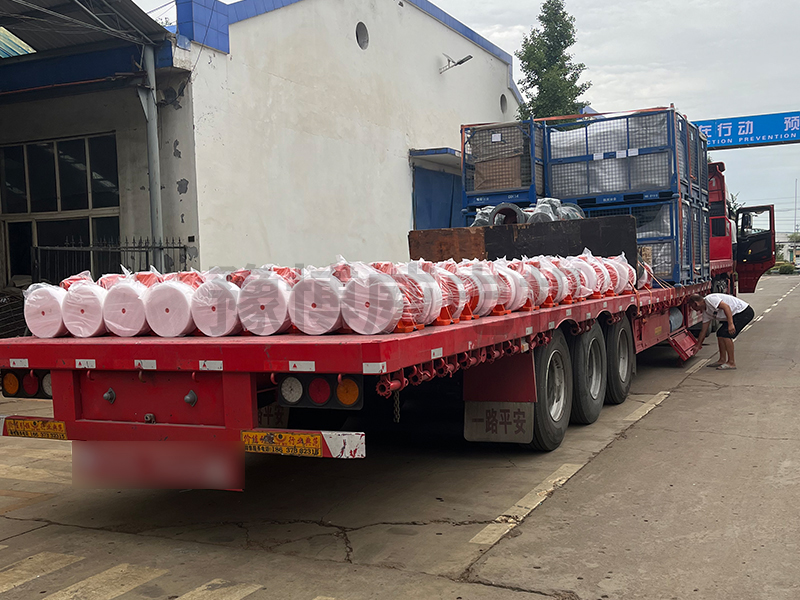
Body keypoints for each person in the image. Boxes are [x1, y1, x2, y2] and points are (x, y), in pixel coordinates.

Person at [689, 293, 755, 370]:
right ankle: (722, 360)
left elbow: (726, 307)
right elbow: (703, 331)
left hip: (743, 312)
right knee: (720, 333)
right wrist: (698, 345)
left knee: (726, 334)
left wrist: (730, 324)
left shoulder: (710, 299)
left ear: (696, 303)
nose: (693, 309)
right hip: (734, 315)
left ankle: (731, 362)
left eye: (692, 306)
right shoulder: (706, 313)